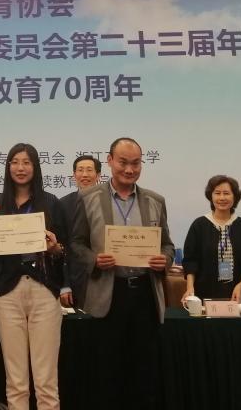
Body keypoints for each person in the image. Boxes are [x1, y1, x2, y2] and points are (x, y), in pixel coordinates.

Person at [70, 137, 174, 409]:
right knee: (108, 372)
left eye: (136, 163)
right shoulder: (88, 198)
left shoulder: (155, 201)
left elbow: (167, 245)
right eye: (123, 162)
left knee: (145, 372)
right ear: (110, 161)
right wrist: (94, 259)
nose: (129, 169)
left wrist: (164, 259)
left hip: (145, 295)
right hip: (109, 294)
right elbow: (76, 244)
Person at [0, 143, 65, 410]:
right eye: (15, 162)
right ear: (8, 166)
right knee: (16, 382)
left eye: (27, 162)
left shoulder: (51, 202)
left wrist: (55, 248)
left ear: (35, 167)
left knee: (46, 383)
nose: (21, 168)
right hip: (8, 292)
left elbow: (64, 251)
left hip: (44, 290)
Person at [180, 175, 241, 304]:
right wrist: (190, 288)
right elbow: (190, 261)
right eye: (217, 193)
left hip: (239, 296)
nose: (222, 198)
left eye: (226, 193)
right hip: (204, 296)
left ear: (235, 197)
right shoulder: (199, 225)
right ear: (211, 196)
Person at [58, 155, 101, 309]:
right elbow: (61, 246)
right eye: (80, 170)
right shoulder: (63, 204)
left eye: (89, 170)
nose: (84, 175)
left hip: (106, 278)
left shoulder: (110, 202)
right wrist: (64, 284)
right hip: (75, 279)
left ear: (98, 175)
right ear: (74, 175)